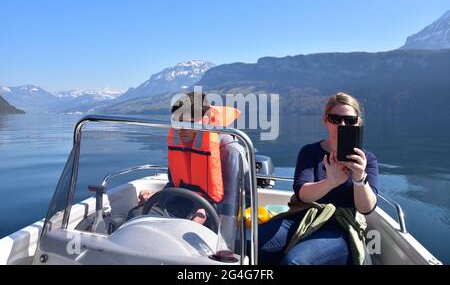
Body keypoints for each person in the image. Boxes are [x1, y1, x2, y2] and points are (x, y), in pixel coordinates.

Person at [257, 92, 378, 265]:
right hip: (302, 215)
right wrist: (330, 182)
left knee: (295, 262)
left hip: (339, 226)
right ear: (326, 121)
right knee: (250, 245)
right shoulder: (310, 152)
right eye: (335, 119)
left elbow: (366, 208)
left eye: (349, 120)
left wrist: (359, 177)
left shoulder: (367, 160)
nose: (342, 125)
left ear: (358, 123)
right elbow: (302, 195)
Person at [136, 92, 250, 228]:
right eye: (177, 122)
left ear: (205, 121)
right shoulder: (180, 144)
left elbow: (235, 202)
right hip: (182, 206)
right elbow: (174, 185)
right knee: (135, 216)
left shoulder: (231, 151)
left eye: (188, 122)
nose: (181, 129)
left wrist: (206, 212)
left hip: (216, 213)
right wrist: (157, 197)